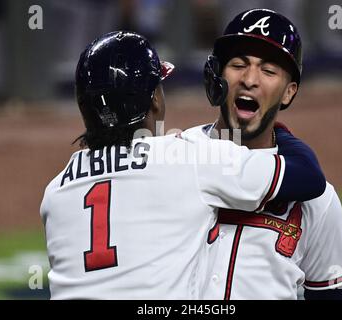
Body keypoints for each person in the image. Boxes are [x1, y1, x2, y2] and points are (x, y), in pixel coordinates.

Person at [40, 31, 326, 299]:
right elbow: (308, 176)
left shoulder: (55, 193)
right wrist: (276, 127)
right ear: (154, 100)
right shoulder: (188, 157)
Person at [185, 9, 342, 300]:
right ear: (217, 76)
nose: (250, 79)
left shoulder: (319, 201)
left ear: (289, 92)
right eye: (238, 65)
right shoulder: (174, 158)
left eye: (268, 71)